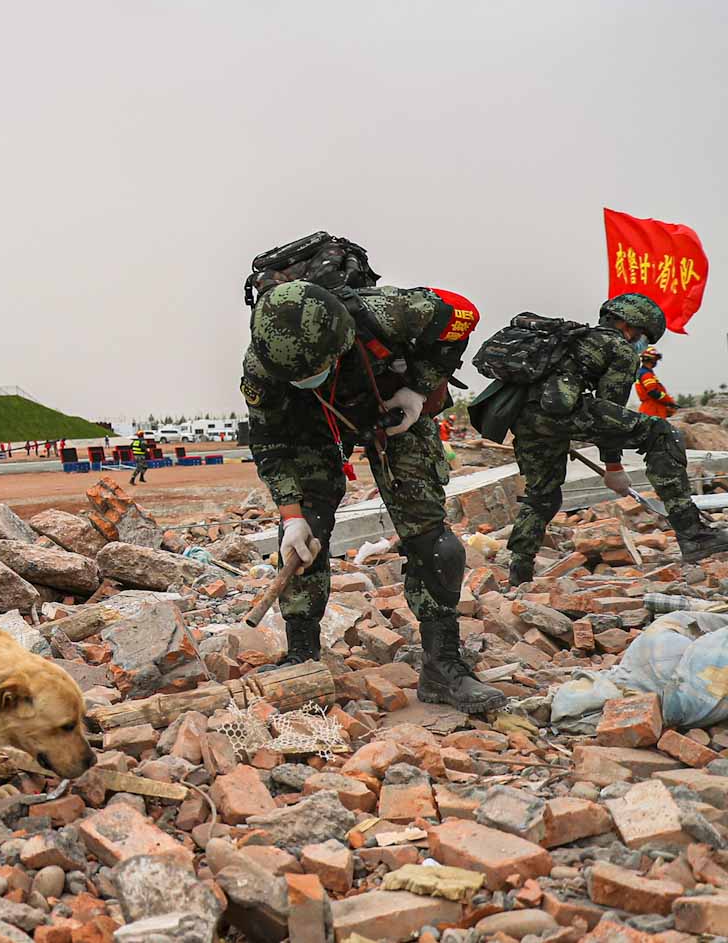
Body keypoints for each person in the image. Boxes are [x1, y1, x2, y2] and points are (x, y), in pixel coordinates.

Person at [242, 280, 504, 714]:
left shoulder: (389, 311)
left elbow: (462, 315)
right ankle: (301, 658)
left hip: (394, 405)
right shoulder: (263, 368)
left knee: (434, 542)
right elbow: (270, 444)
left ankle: (443, 665)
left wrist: (419, 389)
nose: (309, 377)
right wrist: (291, 517)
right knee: (303, 541)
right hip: (312, 427)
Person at [506, 294, 728, 581]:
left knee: (542, 494)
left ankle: (519, 568)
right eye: (644, 337)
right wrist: (613, 467)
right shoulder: (619, 349)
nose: (642, 345)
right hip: (561, 412)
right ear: (630, 324)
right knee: (663, 433)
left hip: (526, 418)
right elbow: (610, 412)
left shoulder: (572, 339)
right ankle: (693, 534)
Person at [635, 346, 676, 418]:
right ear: (651, 360)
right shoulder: (647, 374)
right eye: (656, 359)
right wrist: (669, 401)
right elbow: (653, 392)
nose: (656, 362)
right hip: (652, 410)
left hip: (652, 409)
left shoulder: (644, 373)